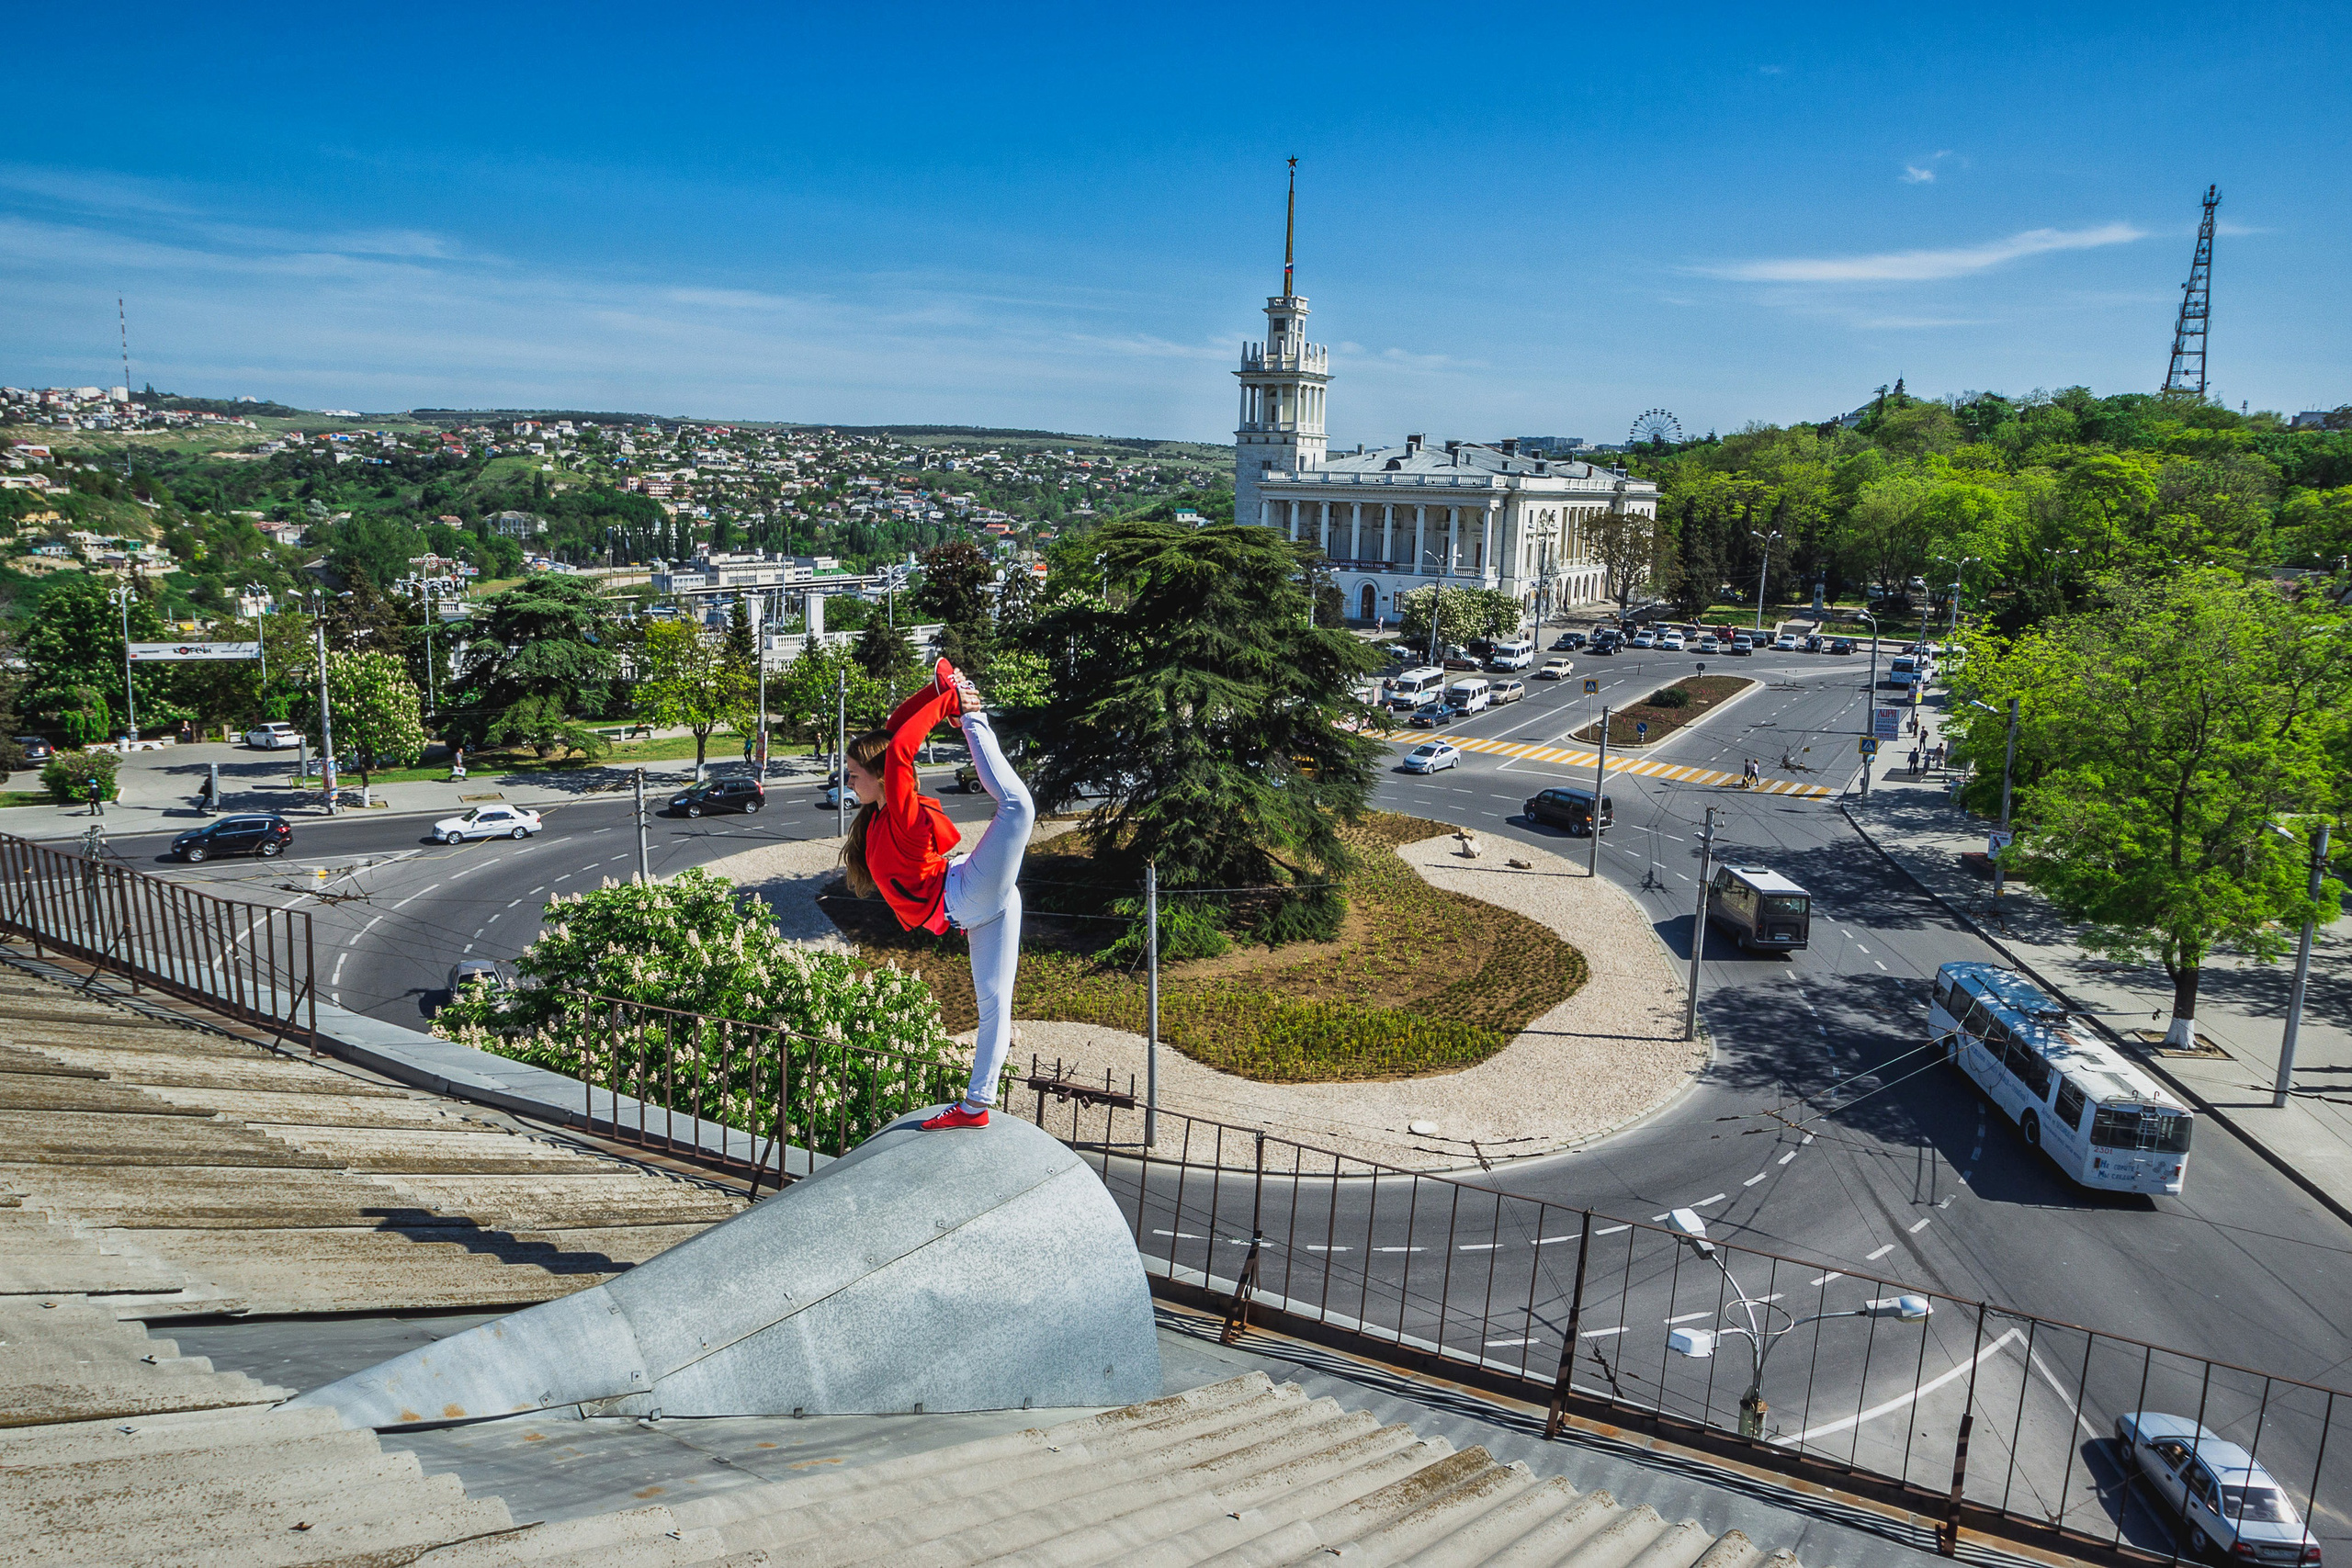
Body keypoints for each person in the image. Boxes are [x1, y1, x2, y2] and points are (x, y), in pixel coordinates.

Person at [841, 658, 1033, 1130]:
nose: (847, 782)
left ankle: (975, 717)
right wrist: (935, 692)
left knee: (1018, 806)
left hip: (967, 894)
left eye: (853, 774)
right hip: (967, 901)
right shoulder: (882, 816)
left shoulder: (900, 811)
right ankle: (976, 1106)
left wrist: (954, 702)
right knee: (994, 1007)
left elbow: (901, 746)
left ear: (881, 777)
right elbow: (894, 730)